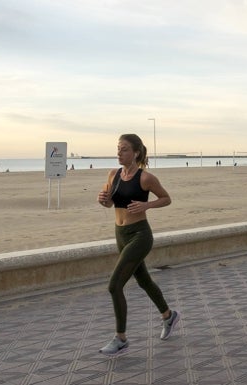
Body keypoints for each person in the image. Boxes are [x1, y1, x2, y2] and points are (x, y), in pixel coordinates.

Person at [96, 133, 180, 355]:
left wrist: (147, 206)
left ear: (135, 153)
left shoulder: (145, 178)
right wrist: (104, 201)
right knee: (143, 280)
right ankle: (168, 316)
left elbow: (166, 198)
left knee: (114, 286)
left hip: (140, 235)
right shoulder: (113, 174)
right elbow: (111, 203)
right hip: (120, 233)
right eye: (118, 148)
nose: (119, 153)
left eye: (124, 149)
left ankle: (121, 338)